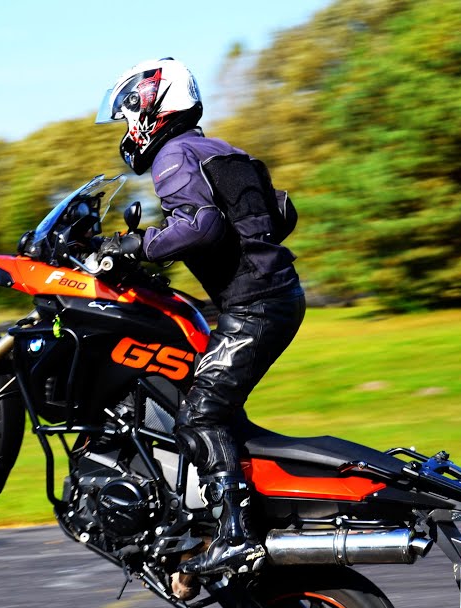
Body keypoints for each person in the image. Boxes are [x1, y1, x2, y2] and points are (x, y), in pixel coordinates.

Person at [94, 57, 306, 577]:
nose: (128, 128)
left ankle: (234, 533)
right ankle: (234, 509)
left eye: (128, 116)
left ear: (153, 107)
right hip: (271, 295)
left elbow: (202, 224)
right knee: (211, 398)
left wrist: (135, 245)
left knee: (201, 413)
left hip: (254, 305)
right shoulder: (222, 150)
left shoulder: (172, 156)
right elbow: (281, 212)